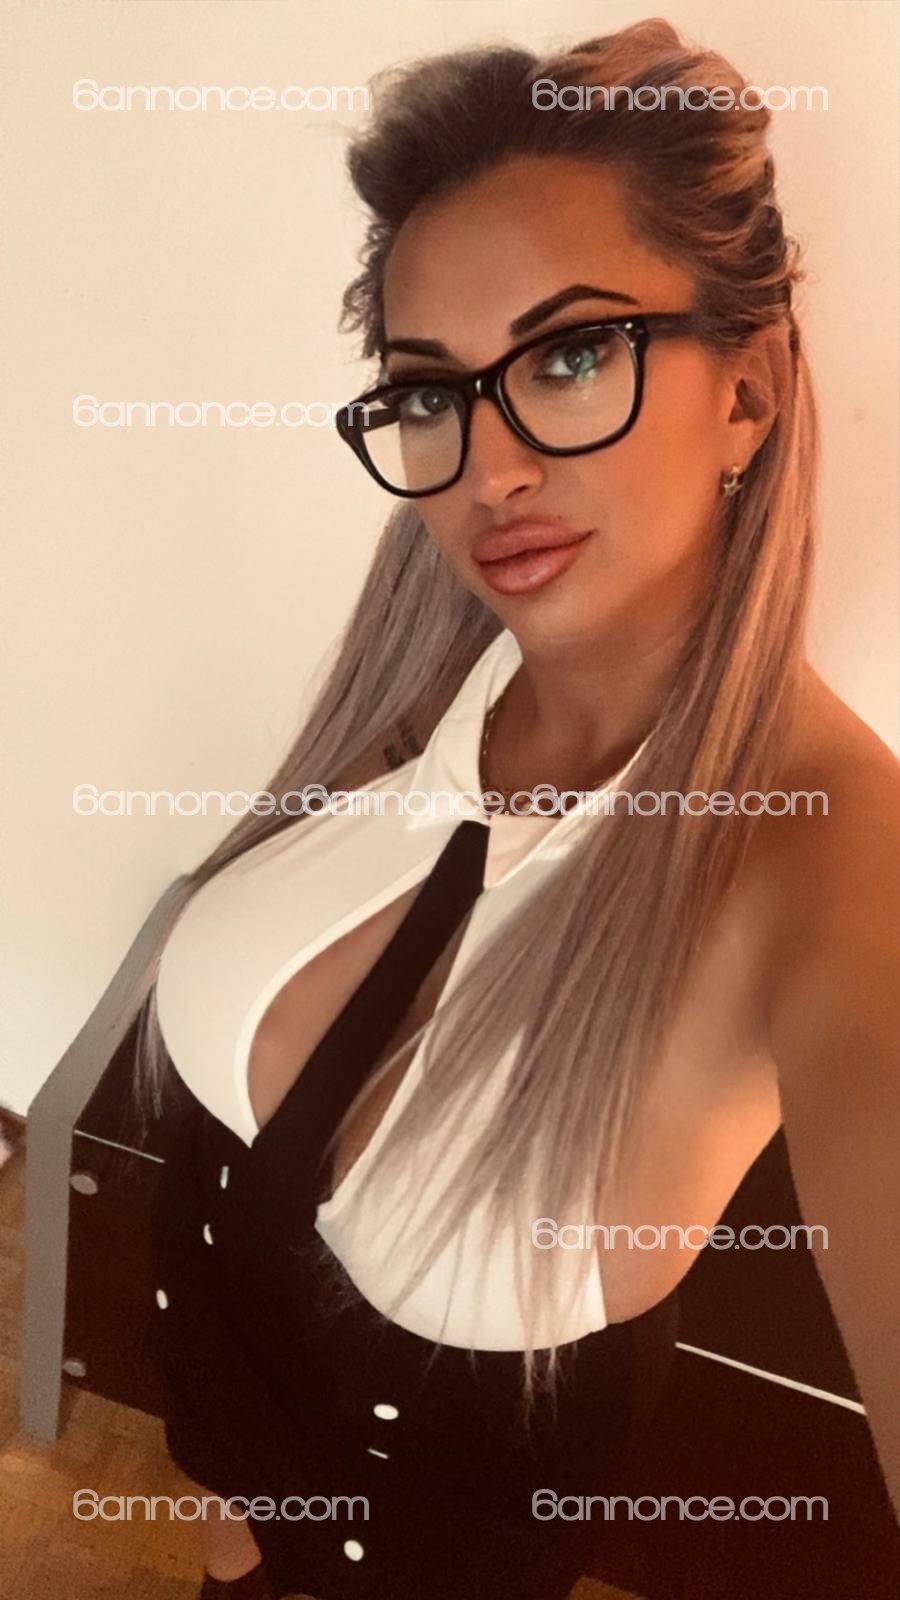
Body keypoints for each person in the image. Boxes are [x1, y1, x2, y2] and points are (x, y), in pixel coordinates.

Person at [136, 18, 900, 1600]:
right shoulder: (428, 664)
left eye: (568, 357)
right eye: (431, 390)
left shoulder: (834, 865)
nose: (487, 470)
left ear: (749, 392)